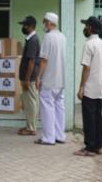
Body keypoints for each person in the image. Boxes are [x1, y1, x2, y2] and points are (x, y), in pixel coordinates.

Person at [74, 17, 102, 157]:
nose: (85, 28)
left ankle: (89, 147)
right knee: (97, 117)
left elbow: (86, 68)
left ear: (91, 28)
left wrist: (81, 87)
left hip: (90, 85)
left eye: (86, 25)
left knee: (89, 118)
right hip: (100, 85)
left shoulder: (89, 44)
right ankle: (98, 146)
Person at [35, 12, 66, 145]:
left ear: (49, 23)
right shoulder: (62, 37)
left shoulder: (48, 37)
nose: (43, 25)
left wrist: (38, 77)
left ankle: (48, 138)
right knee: (59, 108)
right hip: (60, 80)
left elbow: (44, 59)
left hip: (49, 79)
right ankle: (60, 136)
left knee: (47, 109)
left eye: (44, 22)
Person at [17, 16, 40, 136]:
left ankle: (31, 128)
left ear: (31, 26)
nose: (23, 27)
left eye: (25, 25)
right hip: (30, 77)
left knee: (30, 103)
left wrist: (26, 79)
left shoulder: (32, 40)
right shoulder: (31, 39)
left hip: (29, 78)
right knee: (30, 102)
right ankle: (30, 126)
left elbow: (31, 61)